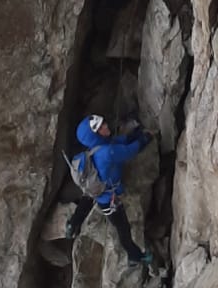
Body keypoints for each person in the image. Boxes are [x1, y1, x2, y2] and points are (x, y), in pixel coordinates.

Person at [66, 115, 153, 270]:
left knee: (88, 198)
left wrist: (133, 135)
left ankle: (74, 223)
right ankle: (135, 256)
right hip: (108, 199)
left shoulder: (97, 147)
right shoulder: (107, 152)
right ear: (95, 135)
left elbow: (119, 141)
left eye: (104, 123)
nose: (106, 126)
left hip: (98, 190)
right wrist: (144, 139)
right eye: (101, 127)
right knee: (123, 228)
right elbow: (129, 151)